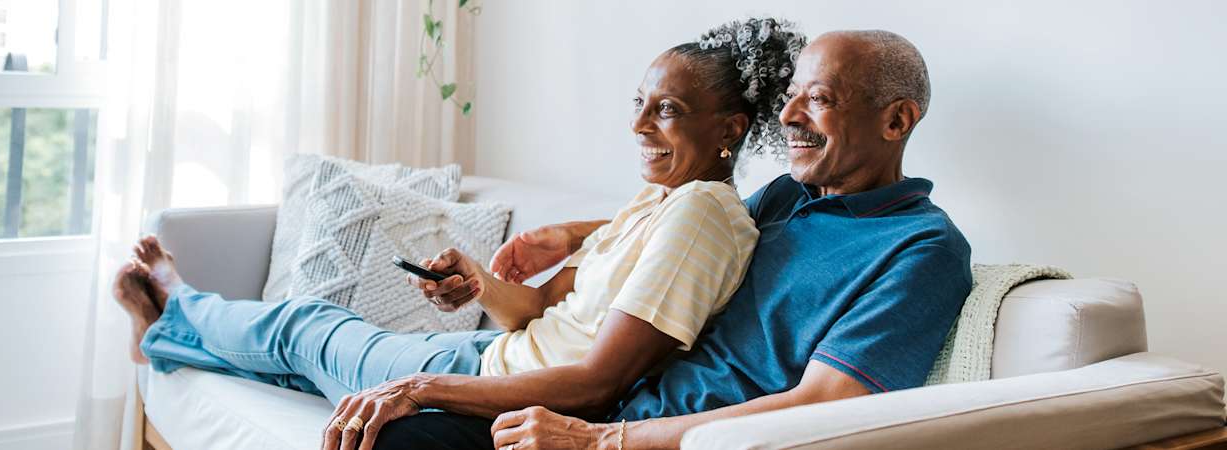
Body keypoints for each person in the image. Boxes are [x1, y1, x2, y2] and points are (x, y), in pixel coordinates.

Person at [110, 17, 807, 450]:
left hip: (492, 381)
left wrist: (423, 387)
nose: (639, 125)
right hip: (492, 353)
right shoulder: (660, 202)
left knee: (305, 325)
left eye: (667, 110)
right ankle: (169, 337)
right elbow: (542, 313)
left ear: (729, 130)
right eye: (640, 105)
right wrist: (484, 283)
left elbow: (599, 383)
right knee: (300, 363)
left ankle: (175, 299)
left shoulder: (701, 216)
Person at [370, 29, 973, 450]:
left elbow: (826, 404)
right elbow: (694, 224)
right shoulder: (791, 198)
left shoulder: (921, 248)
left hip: (647, 436)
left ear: (896, 121)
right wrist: (571, 233)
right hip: (604, 414)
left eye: (818, 100)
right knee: (379, 424)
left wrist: (602, 441)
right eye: (791, 96)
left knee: (395, 432)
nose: (788, 116)